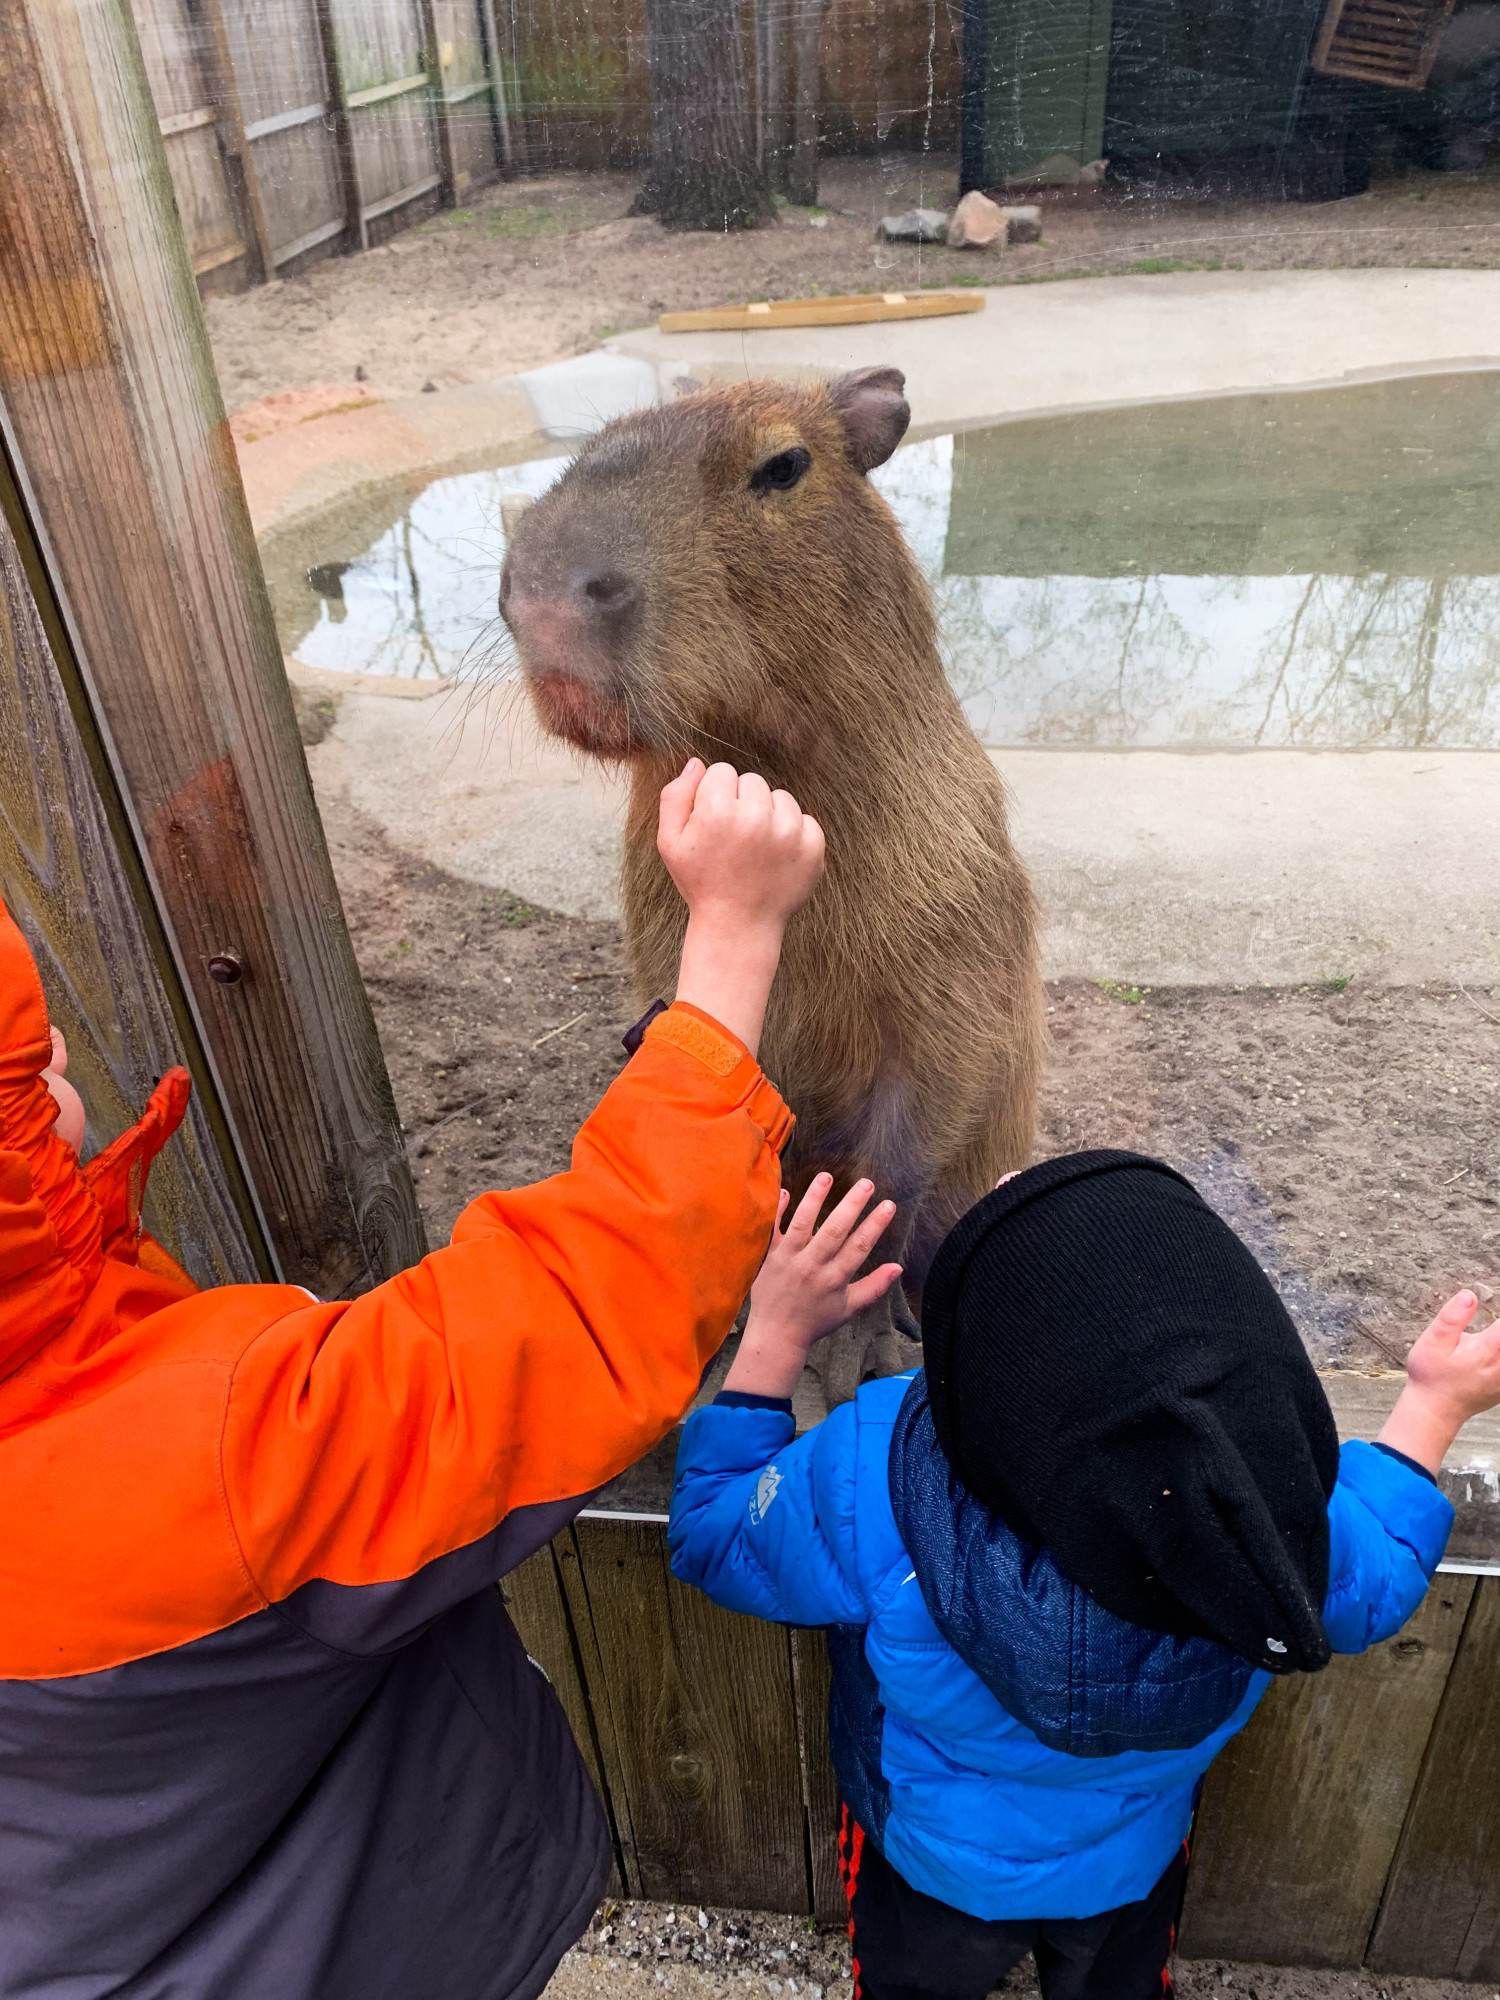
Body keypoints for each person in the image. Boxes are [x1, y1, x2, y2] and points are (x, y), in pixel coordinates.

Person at [0, 758, 822, 2000]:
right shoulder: (210, 1464)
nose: (57, 1037)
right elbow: (576, 1312)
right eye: (17, 1072)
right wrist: (734, 934)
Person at [670, 1152, 1500, 2000]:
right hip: (1127, 1865)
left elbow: (713, 1539)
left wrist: (775, 1334)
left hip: (931, 1865)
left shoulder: (871, 1477)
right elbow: (1379, 1578)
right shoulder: (1261, 1526)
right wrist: (1430, 1407)